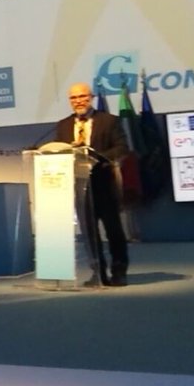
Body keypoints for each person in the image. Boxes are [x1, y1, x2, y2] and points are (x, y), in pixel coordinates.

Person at [57, 82, 130, 287]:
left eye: (82, 96)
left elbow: (122, 148)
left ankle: (119, 271)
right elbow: (59, 150)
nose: (78, 101)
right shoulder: (63, 125)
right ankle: (98, 272)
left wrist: (95, 157)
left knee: (114, 230)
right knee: (89, 233)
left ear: (91, 98)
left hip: (104, 184)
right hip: (80, 186)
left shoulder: (109, 121)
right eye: (73, 98)